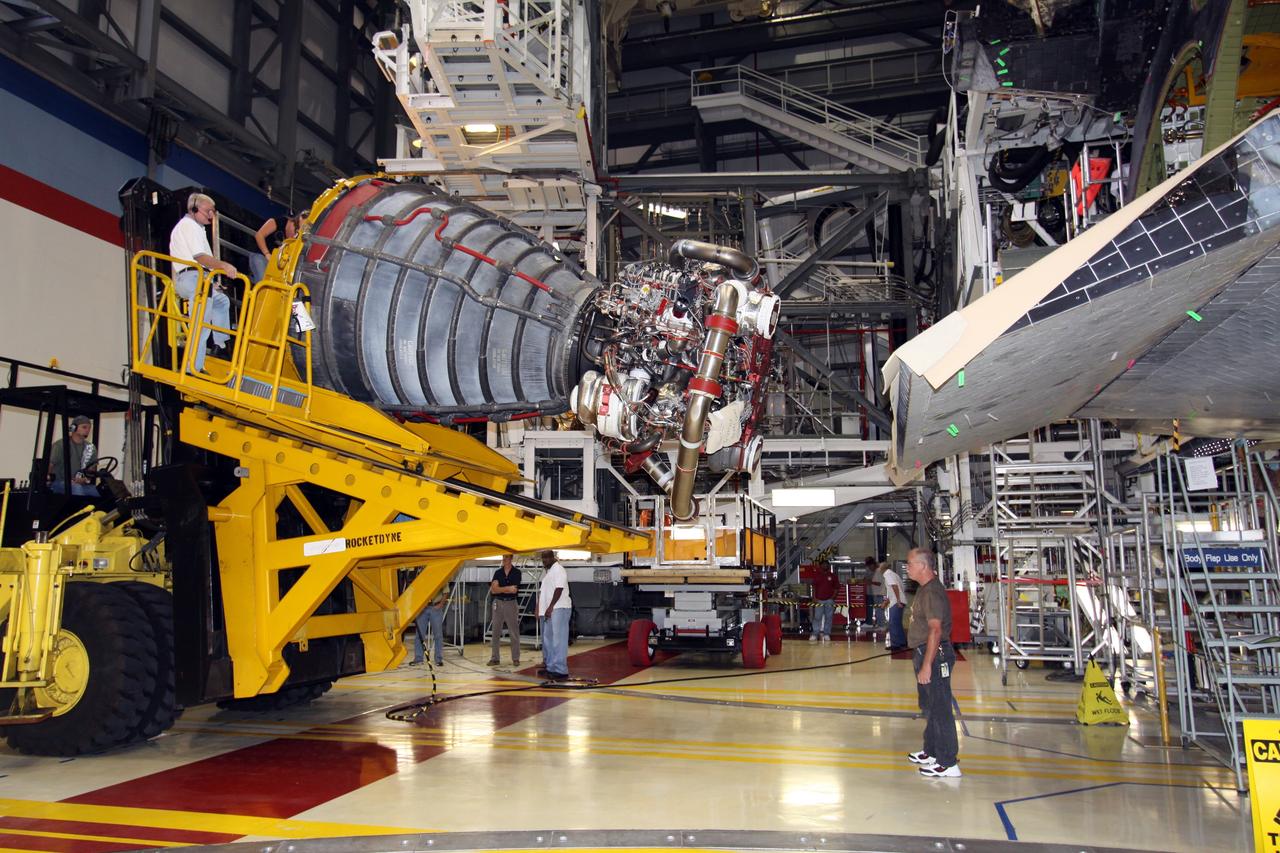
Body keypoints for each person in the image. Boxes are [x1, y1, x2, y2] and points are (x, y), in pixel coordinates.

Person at [904, 548, 961, 778]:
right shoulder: (924, 589)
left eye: (910, 563)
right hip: (924, 652)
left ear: (923, 566)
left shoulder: (932, 593)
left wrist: (927, 664)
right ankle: (932, 751)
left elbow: (936, 629)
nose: (907, 567)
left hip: (934, 656)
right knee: (929, 706)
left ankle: (948, 762)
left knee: (940, 708)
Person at [170, 192, 236, 371]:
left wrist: (212, 280)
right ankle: (193, 368)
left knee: (221, 302)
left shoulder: (197, 229)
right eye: (208, 211)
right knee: (202, 323)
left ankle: (220, 345)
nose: (211, 215)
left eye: (212, 211)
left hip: (197, 277)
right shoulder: (189, 226)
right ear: (193, 209)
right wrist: (224, 266)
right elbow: (200, 257)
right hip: (192, 277)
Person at [537, 550, 572, 681]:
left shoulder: (559, 569)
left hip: (559, 608)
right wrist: (540, 609)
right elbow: (543, 593)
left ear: (553, 557)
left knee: (559, 640)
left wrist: (551, 606)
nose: (544, 560)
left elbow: (559, 589)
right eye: (542, 558)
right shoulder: (549, 572)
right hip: (549, 610)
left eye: (546, 557)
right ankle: (551, 667)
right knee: (548, 640)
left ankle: (561, 670)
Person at [48, 415, 98, 496]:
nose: (88, 430)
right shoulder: (61, 445)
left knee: (96, 491)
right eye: (84, 427)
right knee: (76, 488)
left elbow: (91, 472)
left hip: (79, 484)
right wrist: (47, 480)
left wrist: (84, 479)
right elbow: (49, 465)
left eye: (89, 428)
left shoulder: (91, 447)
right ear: (73, 428)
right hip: (58, 482)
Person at [488, 554, 522, 666]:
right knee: (496, 631)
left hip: (511, 603)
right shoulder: (498, 572)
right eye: (503, 558)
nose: (504, 560)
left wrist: (500, 589)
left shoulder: (517, 573)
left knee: (514, 631)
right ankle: (495, 658)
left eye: (506, 558)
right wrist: (507, 588)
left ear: (511, 559)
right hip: (498, 603)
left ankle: (516, 658)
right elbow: (493, 590)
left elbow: (514, 591)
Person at [250, 211, 303, 282]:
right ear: (292, 222)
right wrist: (267, 254)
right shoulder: (277, 222)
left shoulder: (296, 239)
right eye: (296, 229)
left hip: (276, 265)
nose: (295, 235)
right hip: (260, 255)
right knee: (262, 282)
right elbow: (259, 235)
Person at [412, 585, 448, 667]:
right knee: (419, 635)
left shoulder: (440, 574)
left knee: (438, 635)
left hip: (435, 607)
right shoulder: (420, 574)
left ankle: (438, 659)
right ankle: (418, 659)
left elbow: (446, 591)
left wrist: (440, 605)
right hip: (422, 608)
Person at [880, 561, 907, 651]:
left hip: (896, 602)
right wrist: (886, 602)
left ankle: (895, 644)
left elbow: (895, 587)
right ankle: (902, 642)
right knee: (897, 623)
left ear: (883, 568)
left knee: (893, 623)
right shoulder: (893, 574)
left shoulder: (887, 574)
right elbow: (894, 590)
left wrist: (898, 601)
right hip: (898, 600)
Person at [809, 562, 837, 642]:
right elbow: (814, 587)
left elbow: (836, 588)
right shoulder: (817, 576)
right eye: (823, 564)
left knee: (829, 618)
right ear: (820, 566)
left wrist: (833, 597)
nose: (825, 566)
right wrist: (814, 597)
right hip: (819, 600)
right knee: (817, 617)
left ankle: (826, 634)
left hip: (829, 600)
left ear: (828, 566)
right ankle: (815, 634)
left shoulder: (833, 576)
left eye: (826, 565)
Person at [867, 557, 885, 627]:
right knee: (878, 611)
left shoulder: (878, 571)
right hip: (877, 594)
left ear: (872, 565)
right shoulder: (876, 571)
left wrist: (870, 582)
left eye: (870, 566)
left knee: (879, 611)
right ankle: (879, 624)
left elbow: (879, 583)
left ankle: (882, 625)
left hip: (879, 594)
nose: (869, 568)